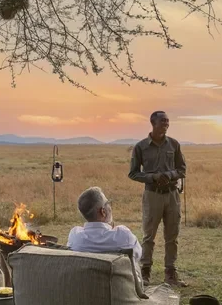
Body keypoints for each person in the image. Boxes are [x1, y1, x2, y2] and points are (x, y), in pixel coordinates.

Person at [128, 110, 187, 287]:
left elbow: (182, 170)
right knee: (149, 236)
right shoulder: (141, 147)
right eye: (163, 121)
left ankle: (171, 274)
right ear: (153, 123)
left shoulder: (174, 145)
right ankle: (145, 273)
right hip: (152, 194)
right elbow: (133, 173)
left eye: (168, 121)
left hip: (172, 194)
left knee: (172, 235)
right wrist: (153, 177)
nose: (166, 124)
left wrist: (169, 175)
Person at [67, 187, 143, 281]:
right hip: (118, 290)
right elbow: (138, 255)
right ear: (103, 211)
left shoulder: (75, 236)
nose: (110, 207)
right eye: (108, 203)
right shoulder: (123, 235)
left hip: (85, 286)